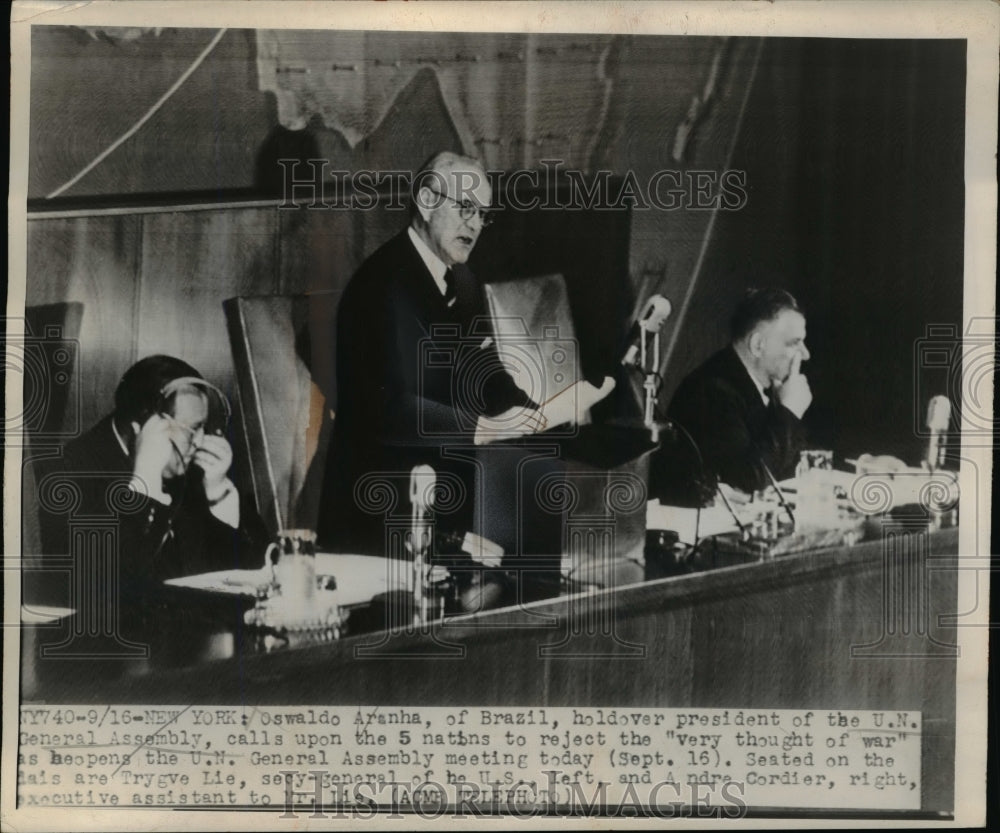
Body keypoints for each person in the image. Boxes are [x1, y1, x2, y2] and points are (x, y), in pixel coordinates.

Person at [317, 151, 543, 555]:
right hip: (379, 513)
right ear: (426, 201)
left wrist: (537, 418)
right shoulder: (379, 284)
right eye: (465, 207)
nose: (475, 224)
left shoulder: (464, 281)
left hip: (450, 502)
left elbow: (487, 373)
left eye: (483, 214)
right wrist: (486, 428)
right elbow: (389, 411)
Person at [36, 355, 268, 647]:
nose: (200, 442)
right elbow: (103, 591)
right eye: (191, 429)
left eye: (203, 428)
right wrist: (143, 485)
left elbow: (256, 569)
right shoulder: (67, 476)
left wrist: (218, 491)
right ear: (144, 428)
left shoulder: (188, 470)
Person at [663, 287, 812, 501]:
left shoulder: (765, 386)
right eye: (794, 343)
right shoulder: (711, 391)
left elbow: (790, 470)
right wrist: (789, 413)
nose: (805, 355)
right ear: (758, 345)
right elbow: (750, 482)